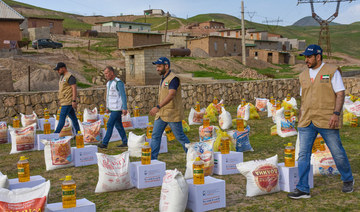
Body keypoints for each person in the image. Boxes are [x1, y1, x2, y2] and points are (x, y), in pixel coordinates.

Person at [288, 45, 354, 199]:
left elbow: (340, 93)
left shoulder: (331, 71)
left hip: (327, 119)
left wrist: (336, 114)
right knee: (303, 154)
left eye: (309, 57)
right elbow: (303, 97)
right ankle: (303, 188)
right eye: (305, 57)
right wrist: (300, 116)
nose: (306, 60)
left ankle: (347, 179)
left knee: (337, 152)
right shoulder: (303, 75)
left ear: (318, 57)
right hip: (306, 121)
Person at [149, 57, 190, 159]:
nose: (157, 69)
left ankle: (192, 156)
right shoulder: (164, 78)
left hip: (172, 113)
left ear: (166, 66)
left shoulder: (173, 79)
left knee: (180, 137)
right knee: (155, 136)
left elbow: (171, 94)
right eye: (157, 67)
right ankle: (153, 159)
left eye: (159, 66)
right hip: (162, 114)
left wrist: (158, 106)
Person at [98, 66, 128, 149]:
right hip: (112, 108)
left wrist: (124, 107)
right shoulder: (108, 83)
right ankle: (125, 142)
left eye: (107, 73)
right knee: (118, 126)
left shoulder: (118, 82)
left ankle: (105, 143)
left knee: (109, 124)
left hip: (117, 108)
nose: (106, 75)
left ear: (111, 73)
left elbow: (123, 96)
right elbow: (108, 96)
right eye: (105, 74)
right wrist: (107, 107)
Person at [53, 62, 80, 134]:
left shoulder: (70, 77)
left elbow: (74, 88)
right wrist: (60, 99)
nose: (57, 71)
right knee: (74, 119)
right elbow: (63, 90)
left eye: (58, 69)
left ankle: (55, 135)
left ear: (63, 68)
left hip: (68, 101)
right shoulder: (62, 77)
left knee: (62, 118)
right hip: (64, 101)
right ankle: (78, 133)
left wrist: (74, 100)